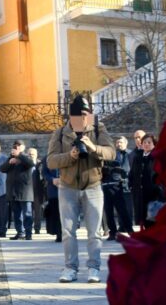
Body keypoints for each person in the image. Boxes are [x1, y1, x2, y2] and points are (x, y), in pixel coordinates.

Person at [47, 96, 115, 283]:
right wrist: (70, 156)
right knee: (68, 232)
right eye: (79, 114)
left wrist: (93, 147)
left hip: (93, 187)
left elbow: (111, 153)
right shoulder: (60, 133)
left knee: (94, 232)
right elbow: (51, 161)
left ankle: (94, 268)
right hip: (67, 188)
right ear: (71, 116)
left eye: (86, 114)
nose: (84, 118)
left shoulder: (97, 128)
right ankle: (70, 268)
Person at [0, 140, 34, 240]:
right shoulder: (10, 158)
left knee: (27, 213)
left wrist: (19, 155)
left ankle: (28, 233)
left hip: (25, 191)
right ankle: (20, 232)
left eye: (19, 146)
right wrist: (10, 162)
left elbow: (30, 163)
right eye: (15, 146)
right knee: (17, 214)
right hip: (13, 192)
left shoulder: (26, 157)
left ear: (23, 147)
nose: (17, 147)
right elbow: (2, 169)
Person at [102, 136, 134, 240]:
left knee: (123, 210)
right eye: (117, 142)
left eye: (120, 142)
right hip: (109, 186)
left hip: (123, 186)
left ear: (126, 143)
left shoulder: (131, 154)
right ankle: (113, 232)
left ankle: (130, 230)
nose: (118, 144)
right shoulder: (112, 155)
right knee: (109, 211)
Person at [129, 134, 160, 229]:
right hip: (139, 193)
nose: (146, 144)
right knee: (142, 220)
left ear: (154, 144)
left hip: (153, 194)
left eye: (149, 142)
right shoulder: (138, 157)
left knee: (152, 220)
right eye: (144, 142)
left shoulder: (156, 158)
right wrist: (131, 185)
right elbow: (132, 173)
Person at [41, 156, 62, 242]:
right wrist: (52, 180)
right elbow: (44, 173)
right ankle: (58, 233)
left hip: (67, 188)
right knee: (55, 213)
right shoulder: (47, 158)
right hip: (53, 191)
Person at [28, 148, 44, 235]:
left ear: (36, 155)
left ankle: (37, 228)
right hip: (27, 192)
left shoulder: (40, 164)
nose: (31, 156)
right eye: (29, 154)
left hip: (38, 191)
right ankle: (28, 228)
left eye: (33, 154)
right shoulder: (25, 164)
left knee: (38, 212)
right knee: (28, 211)